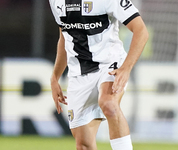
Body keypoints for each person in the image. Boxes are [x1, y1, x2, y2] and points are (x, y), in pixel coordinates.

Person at [49, 0, 148, 149]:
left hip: (109, 63)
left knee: (109, 104)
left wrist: (126, 68)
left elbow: (141, 30)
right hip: (79, 74)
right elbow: (64, 36)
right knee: (83, 145)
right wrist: (55, 77)